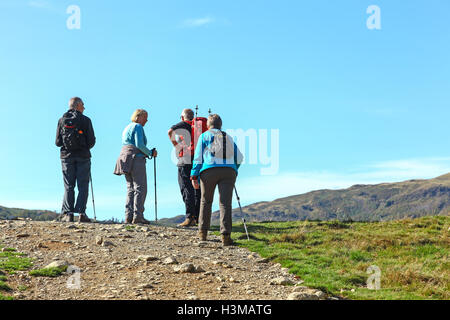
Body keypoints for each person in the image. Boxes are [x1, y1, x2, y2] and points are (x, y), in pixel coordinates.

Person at [190, 114, 243, 246]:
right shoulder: (228, 137)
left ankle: (203, 233)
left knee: (206, 201)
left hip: (209, 170)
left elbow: (198, 158)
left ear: (208, 125)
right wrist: (234, 168)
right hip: (229, 171)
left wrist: (194, 175)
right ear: (221, 125)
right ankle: (226, 236)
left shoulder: (204, 136)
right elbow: (240, 157)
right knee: (225, 203)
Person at [55, 97, 96, 223]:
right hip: (83, 156)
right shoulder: (86, 120)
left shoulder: (62, 120)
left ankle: (69, 214)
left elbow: (57, 142)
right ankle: (81, 214)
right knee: (83, 185)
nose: (84, 107)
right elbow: (91, 141)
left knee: (69, 185)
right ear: (77, 105)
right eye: (83, 105)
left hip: (66, 157)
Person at [114, 109, 157, 224]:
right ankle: (138, 216)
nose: (147, 120)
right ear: (138, 117)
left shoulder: (126, 128)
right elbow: (139, 144)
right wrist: (150, 153)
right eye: (145, 117)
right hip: (136, 159)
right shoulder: (138, 127)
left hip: (124, 159)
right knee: (140, 187)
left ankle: (128, 216)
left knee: (130, 188)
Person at [168, 108, 201, 227]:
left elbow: (170, 131)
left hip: (185, 159)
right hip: (198, 159)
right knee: (197, 188)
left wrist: (177, 146)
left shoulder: (184, 124)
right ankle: (198, 217)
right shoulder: (199, 126)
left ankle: (189, 217)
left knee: (186, 187)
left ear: (183, 117)